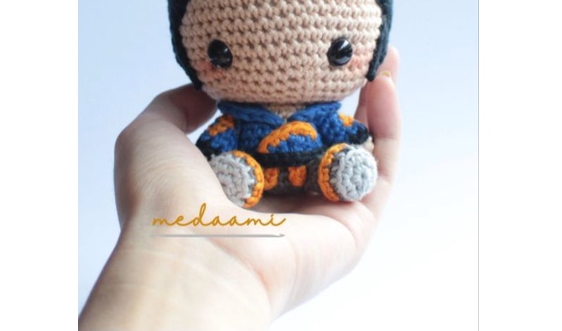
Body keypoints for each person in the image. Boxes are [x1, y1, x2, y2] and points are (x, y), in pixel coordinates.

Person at [79, 47, 401, 330]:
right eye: (223, 53)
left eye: (339, 50)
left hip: (313, 170)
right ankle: (240, 177)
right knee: (236, 170)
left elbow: (351, 132)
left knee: (336, 165)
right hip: (257, 168)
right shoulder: (236, 123)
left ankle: (337, 171)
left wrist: (359, 141)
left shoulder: (323, 119)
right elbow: (214, 142)